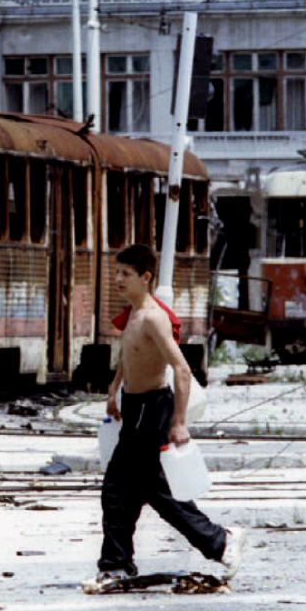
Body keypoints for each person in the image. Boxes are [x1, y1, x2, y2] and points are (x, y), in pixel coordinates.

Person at [95, 243, 244, 585]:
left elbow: (180, 369)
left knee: (141, 489)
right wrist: (114, 389)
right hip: (135, 407)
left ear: (145, 278)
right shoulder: (134, 312)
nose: (118, 279)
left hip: (153, 407)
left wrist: (178, 422)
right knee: (123, 490)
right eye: (117, 272)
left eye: (126, 274)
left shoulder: (153, 318)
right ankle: (116, 563)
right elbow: (128, 357)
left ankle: (220, 541)